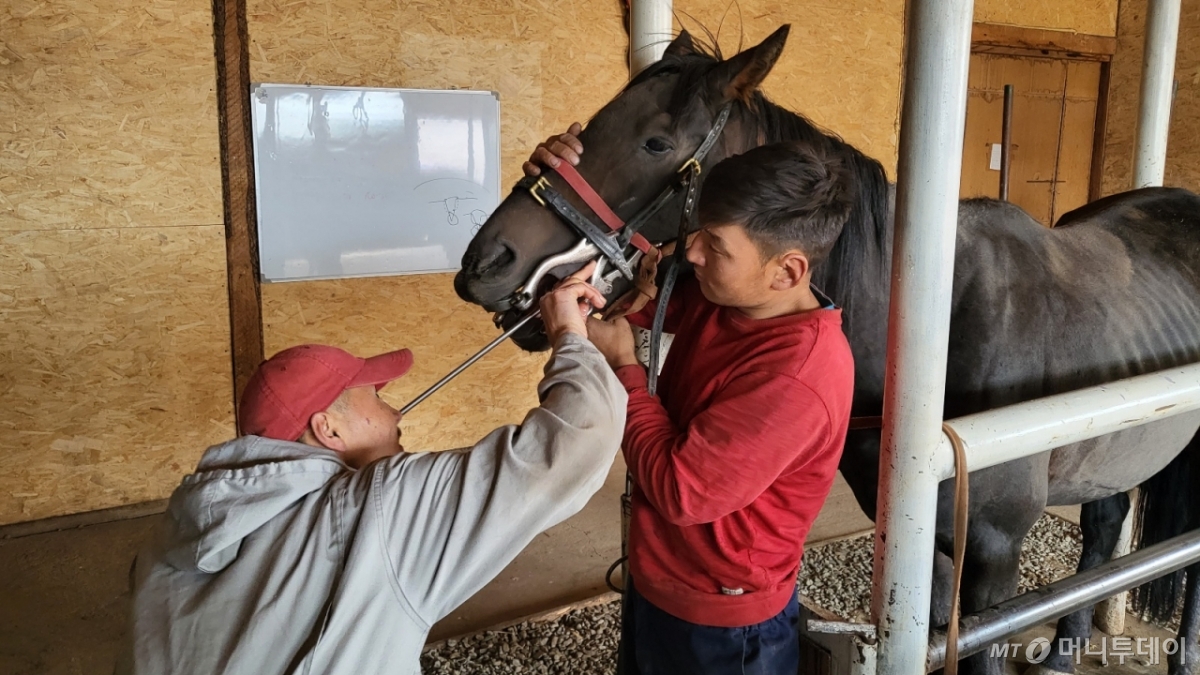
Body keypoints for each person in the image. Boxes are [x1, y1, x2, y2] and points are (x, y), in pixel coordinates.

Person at [119, 264, 626, 675]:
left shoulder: (170, 535)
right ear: (328, 431)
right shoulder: (376, 508)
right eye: (378, 399)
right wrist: (569, 333)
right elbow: (576, 443)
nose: (396, 413)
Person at [527, 132, 857, 673]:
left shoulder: (798, 375)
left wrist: (625, 367)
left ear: (788, 272)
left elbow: (682, 492)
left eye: (716, 246)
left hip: (723, 622)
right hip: (661, 578)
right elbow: (620, 300)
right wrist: (558, 186)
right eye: (699, 231)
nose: (694, 251)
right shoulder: (726, 296)